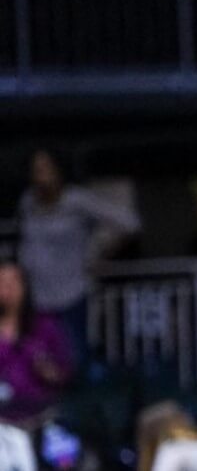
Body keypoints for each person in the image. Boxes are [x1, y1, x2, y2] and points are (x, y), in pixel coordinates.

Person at [18, 149, 140, 365]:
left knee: (73, 357)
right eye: (36, 171)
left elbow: (129, 222)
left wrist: (103, 256)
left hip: (71, 295)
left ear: (59, 171)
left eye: (46, 169)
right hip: (38, 297)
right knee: (39, 359)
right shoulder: (28, 202)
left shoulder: (76, 200)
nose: (41, 176)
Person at [0, 259, 73, 425]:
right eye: (2, 282)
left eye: (14, 281)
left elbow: (65, 373)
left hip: (41, 414)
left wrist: (51, 372)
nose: (8, 288)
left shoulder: (45, 326)